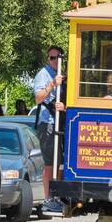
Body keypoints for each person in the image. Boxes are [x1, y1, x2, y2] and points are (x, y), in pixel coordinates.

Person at [33, 46, 65, 211]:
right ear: (48, 59)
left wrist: (64, 106)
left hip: (60, 121)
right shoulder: (43, 74)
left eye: (57, 58)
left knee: (59, 161)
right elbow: (38, 98)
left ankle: (57, 197)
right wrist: (52, 84)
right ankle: (47, 199)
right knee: (49, 163)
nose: (54, 61)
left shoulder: (64, 75)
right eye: (52, 58)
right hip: (47, 122)